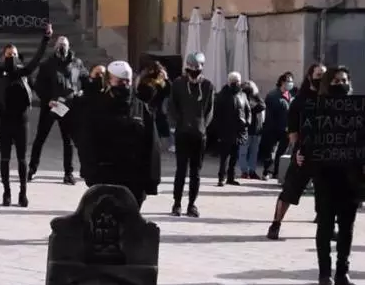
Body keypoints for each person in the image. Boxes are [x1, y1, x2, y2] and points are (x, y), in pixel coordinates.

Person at [293, 66, 365, 285]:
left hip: (352, 177)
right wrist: (300, 154)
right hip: (325, 176)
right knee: (325, 225)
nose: (340, 83)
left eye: (343, 80)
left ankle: (343, 272)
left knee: (347, 227)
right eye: (335, 80)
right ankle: (325, 273)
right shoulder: (317, 108)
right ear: (327, 84)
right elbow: (306, 139)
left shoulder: (360, 110)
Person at [70, 60, 161, 209]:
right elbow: (86, 141)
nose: (124, 85)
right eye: (119, 81)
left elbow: (152, 145)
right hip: (104, 176)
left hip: (133, 179)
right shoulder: (97, 106)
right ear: (109, 81)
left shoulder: (140, 108)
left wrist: (151, 181)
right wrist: (90, 172)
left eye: (127, 81)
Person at [0, 21, 52, 207]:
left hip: (22, 121)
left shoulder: (24, 72)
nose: (11, 56)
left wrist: (46, 37)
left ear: (18, 56)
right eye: (8, 54)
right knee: (5, 158)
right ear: (4, 55)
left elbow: (37, 58)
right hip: (4, 120)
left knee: (21, 159)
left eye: (14, 54)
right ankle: (7, 192)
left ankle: (23, 192)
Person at [266, 63, 326, 240]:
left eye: (324, 75)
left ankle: (326, 225)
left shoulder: (330, 99)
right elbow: (293, 132)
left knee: (326, 193)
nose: (322, 78)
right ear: (310, 76)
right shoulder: (299, 101)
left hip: (325, 155)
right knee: (290, 191)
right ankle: (276, 224)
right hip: (304, 154)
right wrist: (297, 150)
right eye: (318, 74)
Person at [29, 36, 83, 185]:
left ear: (69, 46)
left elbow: (84, 80)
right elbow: (39, 86)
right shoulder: (47, 64)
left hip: (68, 107)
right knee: (40, 138)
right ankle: (32, 169)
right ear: (55, 47)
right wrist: (48, 100)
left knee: (68, 141)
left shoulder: (76, 64)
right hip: (51, 105)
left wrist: (81, 92)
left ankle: (68, 173)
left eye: (64, 44)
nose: (62, 47)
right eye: (59, 45)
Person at [167, 52, 214, 217]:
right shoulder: (178, 84)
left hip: (199, 134)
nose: (194, 72)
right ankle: (177, 203)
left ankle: (192, 204)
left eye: (197, 69)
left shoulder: (208, 86)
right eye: (191, 68)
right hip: (182, 132)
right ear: (187, 68)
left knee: (196, 172)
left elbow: (209, 110)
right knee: (181, 170)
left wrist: (202, 127)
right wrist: (177, 124)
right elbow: (171, 106)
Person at [213, 71, 250, 186]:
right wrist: (218, 130)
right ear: (229, 82)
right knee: (225, 156)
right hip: (226, 130)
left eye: (237, 81)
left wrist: (247, 122)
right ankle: (221, 177)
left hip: (239, 130)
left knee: (234, 156)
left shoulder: (242, 95)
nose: (236, 84)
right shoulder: (221, 95)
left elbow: (247, 110)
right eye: (234, 82)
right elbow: (216, 115)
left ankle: (231, 177)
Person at [260, 71, 295, 180]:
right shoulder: (273, 95)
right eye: (288, 81)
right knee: (271, 152)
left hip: (286, 129)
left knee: (282, 152)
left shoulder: (290, 95)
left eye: (291, 81)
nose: (290, 83)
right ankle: (267, 172)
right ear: (282, 82)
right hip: (274, 128)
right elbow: (270, 114)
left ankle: (276, 172)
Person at [238, 81, 265, 179]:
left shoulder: (256, 98)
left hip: (256, 130)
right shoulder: (241, 97)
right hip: (246, 130)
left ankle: (252, 171)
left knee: (254, 152)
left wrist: (256, 95)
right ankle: (244, 171)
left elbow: (263, 106)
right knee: (243, 152)